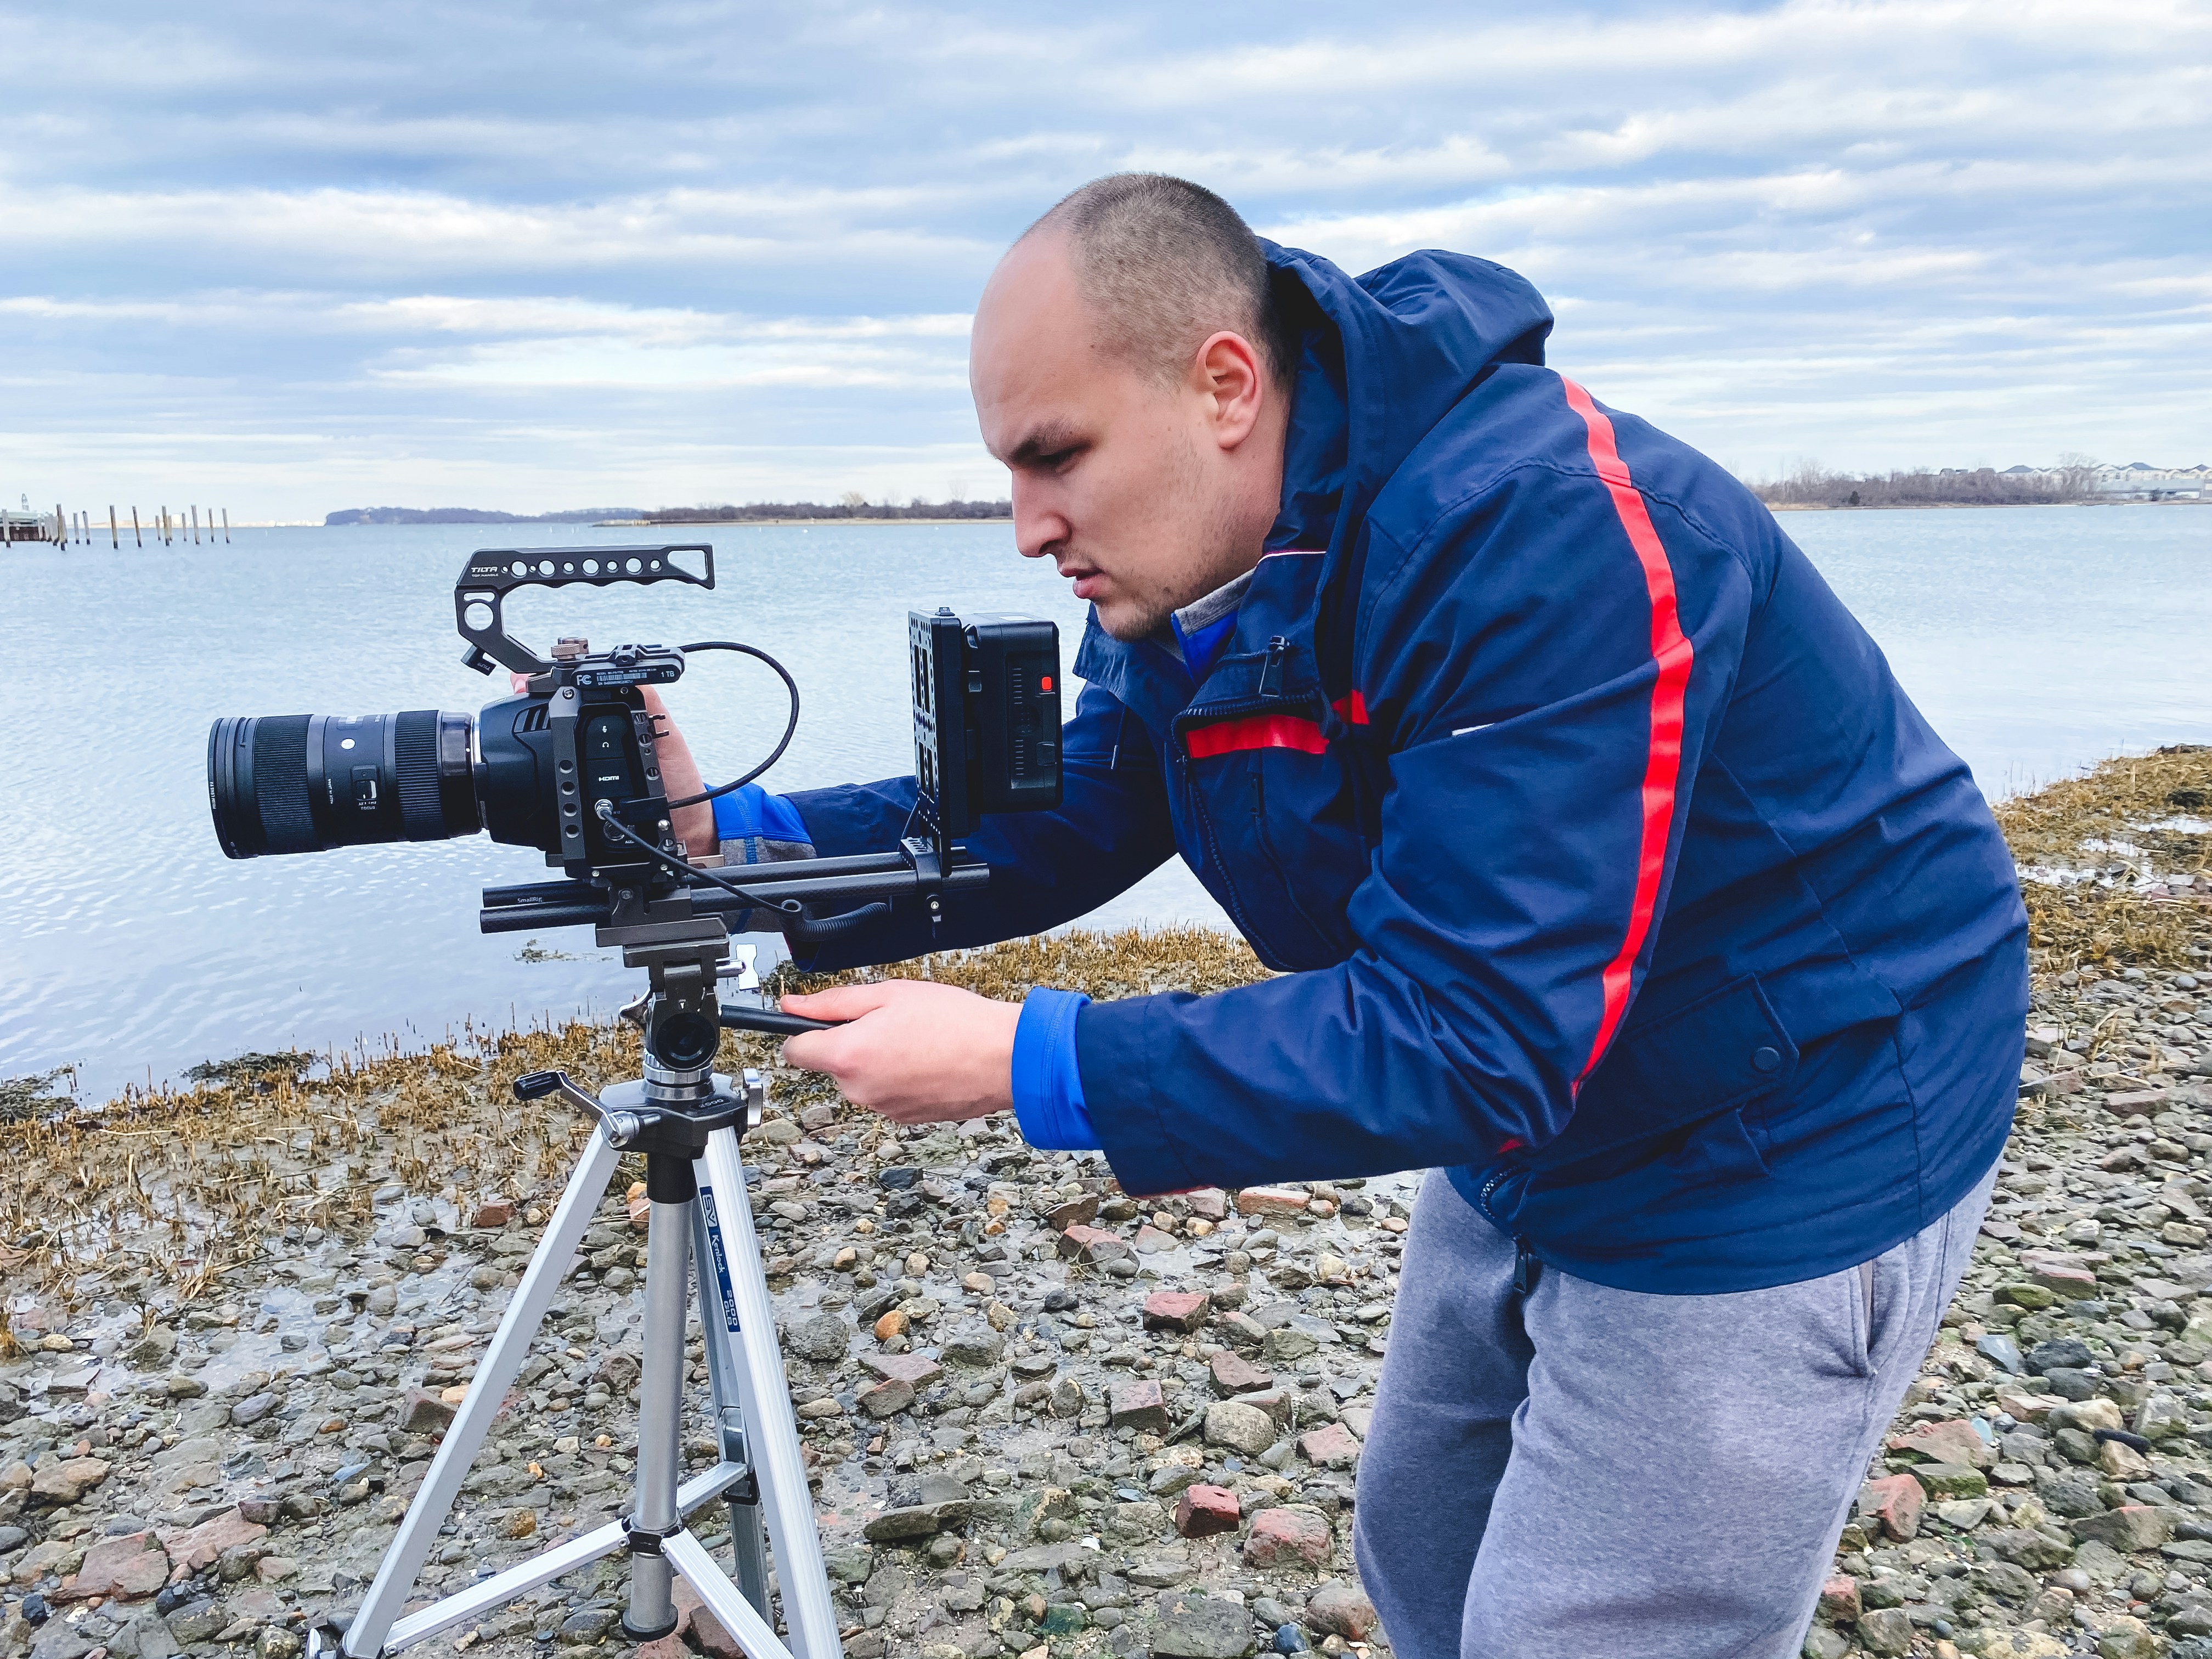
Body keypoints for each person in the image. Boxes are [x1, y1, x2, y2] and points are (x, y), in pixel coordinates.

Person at [652, 174, 2028, 1658]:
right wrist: (730, 839)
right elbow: (1086, 804)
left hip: (1788, 1118)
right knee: (1424, 1542)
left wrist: (1028, 1061)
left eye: (1055, 458)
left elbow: (1473, 1031)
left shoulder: (1539, 531)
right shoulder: (1199, 567)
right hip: (1532, 1096)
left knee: (1582, 1631)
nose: (1026, 527)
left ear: (1225, 386)